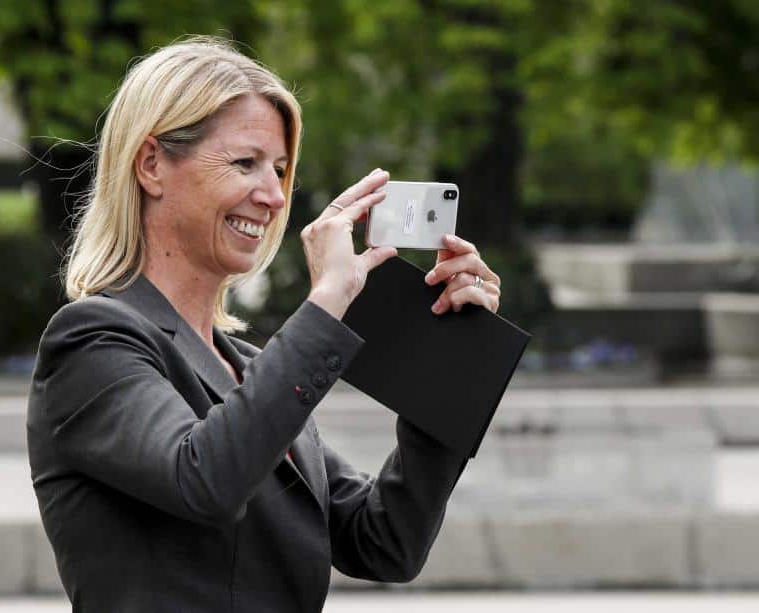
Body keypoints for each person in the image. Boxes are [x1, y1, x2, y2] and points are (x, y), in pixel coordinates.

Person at [27, 36, 502, 613]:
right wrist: (326, 302)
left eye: (279, 170)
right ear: (151, 165)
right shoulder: (90, 341)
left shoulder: (249, 368)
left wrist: (452, 356)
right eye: (244, 163)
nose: (275, 197)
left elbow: (384, 542)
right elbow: (204, 480)